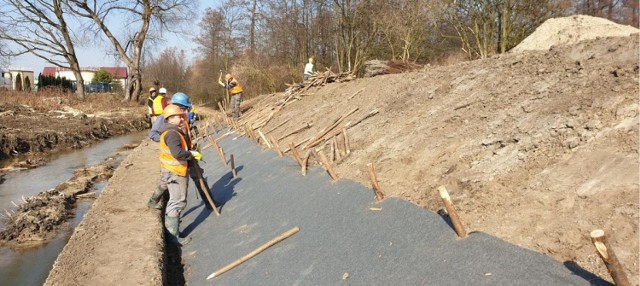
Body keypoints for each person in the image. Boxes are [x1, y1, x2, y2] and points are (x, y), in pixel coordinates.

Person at [148, 92, 214, 211]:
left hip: (187, 154)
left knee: (199, 177)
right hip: (175, 158)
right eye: (183, 108)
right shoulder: (165, 117)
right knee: (164, 183)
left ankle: (210, 203)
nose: (185, 111)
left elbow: (186, 133)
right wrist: (171, 143)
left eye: (185, 109)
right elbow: (153, 134)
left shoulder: (183, 116)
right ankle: (153, 200)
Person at [153, 104, 202, 246]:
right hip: (175, 172)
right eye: (178, 117)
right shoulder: (172, 134)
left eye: (181, 116)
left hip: (170, 170)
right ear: (170, 119)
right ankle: (173, 237)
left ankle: (172, 235)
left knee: (175, 200)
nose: (181, 119)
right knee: (178, 201)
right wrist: (191, 154)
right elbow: (177, 153)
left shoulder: (170, 131)